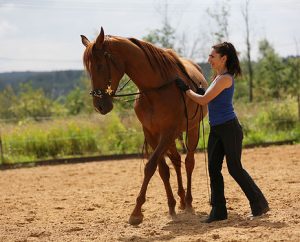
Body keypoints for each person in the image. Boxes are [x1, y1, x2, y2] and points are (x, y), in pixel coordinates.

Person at [175, 42, 269, 223]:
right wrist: (199, 91)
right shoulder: (217, 78)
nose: (209, 59)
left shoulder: (226, 78)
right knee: (213, 168)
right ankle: (219, 211)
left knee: (235, 168)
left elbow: (203, 100)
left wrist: (186, 90)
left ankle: (259, 204)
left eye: (212, 56)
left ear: (223, 58)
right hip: (217, 129)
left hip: (229, 129)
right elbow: (208, 95)